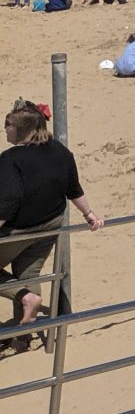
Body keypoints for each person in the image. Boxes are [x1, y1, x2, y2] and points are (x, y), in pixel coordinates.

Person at [0, 99, 103, 346]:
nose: (5, 129)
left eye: (8, 125)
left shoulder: (10, 159)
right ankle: (24, 334)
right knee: (29, 272)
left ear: (21, 130)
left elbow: (9, 200)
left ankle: (26, 298)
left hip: (20, 229)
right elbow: (73, 189)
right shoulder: (59, 150)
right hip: (51, 224)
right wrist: (89, 214)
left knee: (24, 281)